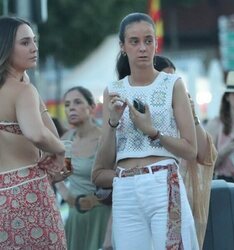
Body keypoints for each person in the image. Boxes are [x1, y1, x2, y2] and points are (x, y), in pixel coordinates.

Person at [93, 12, 199, 250]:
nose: (143, 48)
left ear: (156, 43)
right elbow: (100, 166)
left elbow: (191, 150)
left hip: (162, 179)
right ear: (122, 46)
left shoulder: (172, 83)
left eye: (148, 40)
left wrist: (153, 132)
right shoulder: (113, 90)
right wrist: (112, 122)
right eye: (134, 41)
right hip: (125, 187)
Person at [0, 16, 67, 249]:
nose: (34, 48)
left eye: (34, 41)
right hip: (28, 192)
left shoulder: (22, 87)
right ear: (6, 47)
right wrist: (60, 148)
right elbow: (37, 133)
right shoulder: (22, 91)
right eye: (25, 42)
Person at [154, 54, 217, 249]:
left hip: (186, 209)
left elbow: (205, 156)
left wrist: (193, 117)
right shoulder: (145, 122)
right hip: (155, 206)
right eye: (166, 79)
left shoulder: (184, 120)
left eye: (174, 78)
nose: (172, 85)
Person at [55, 86, 111, 250]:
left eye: (77, 102)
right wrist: (67, 195)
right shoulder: (67, 140)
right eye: (67, 104)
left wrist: (96, 200)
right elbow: (61, 172)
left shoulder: (104, 139)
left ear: (92, 107)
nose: (71, 107)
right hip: (76, 214)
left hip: (102, 214)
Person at [206, 71, 234, 214]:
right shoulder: (216, 124)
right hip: (226, 186)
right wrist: (224, 152)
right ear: (228, 97)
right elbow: (204, 164)